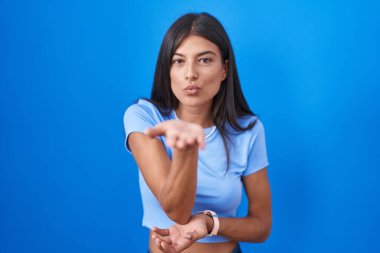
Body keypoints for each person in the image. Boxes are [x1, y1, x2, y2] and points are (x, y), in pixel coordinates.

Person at [123, 12, 271, 253]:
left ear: (224, 69)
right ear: (167, 69)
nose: (190, 73)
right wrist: (187, 148)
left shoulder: (248, 129)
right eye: (178, 61)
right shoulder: (144, 117)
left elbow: (261, 226)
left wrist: (209, 224)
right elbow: (176, 211)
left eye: (204, 60)